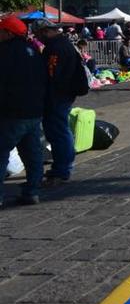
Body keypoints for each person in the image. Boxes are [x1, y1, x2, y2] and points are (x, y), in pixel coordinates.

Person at [0, 15, 48, 206]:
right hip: (34, 110)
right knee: (32, 153)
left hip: (11, 111)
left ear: (7, 33)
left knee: (1, 152)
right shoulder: (34, 50)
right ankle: (32, 191)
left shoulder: (3, 51)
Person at [32, 19, 83, 186]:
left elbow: (52, 74)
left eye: (39, 34)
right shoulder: (63, 44)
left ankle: (62, 170)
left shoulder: (56, 47)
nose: (39, 38)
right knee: (60, 131)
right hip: (63, 94)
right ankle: (62, 167)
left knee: (59, 132)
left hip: (58, 95)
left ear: (46, 31)